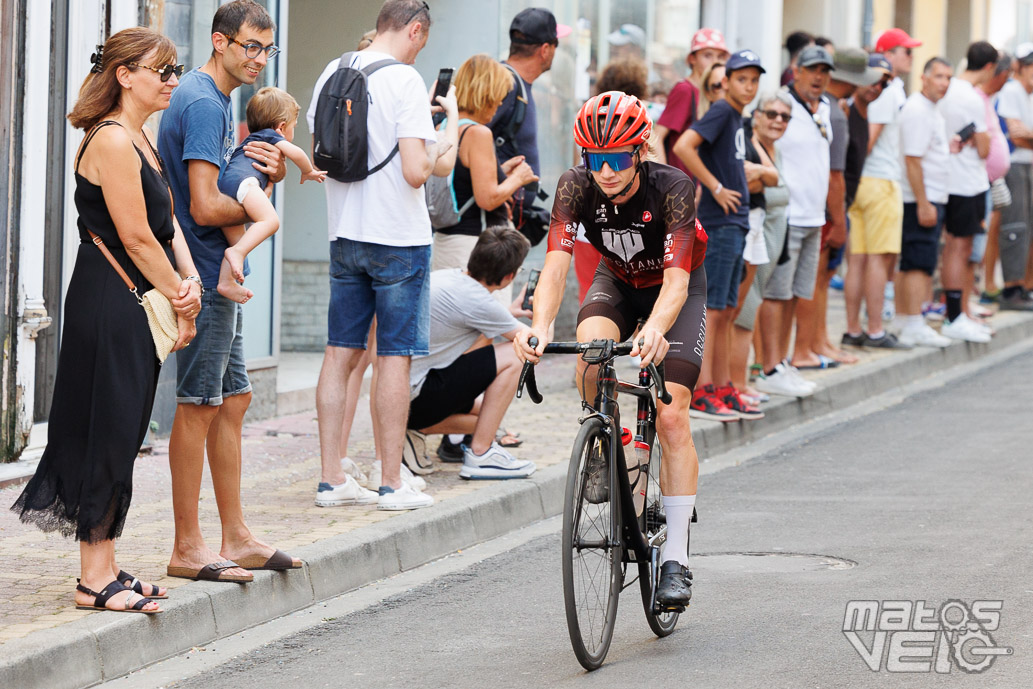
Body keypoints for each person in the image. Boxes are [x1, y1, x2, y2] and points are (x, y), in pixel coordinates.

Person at [12, 27, 202, 611]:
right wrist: (182, 296)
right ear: (125, 75)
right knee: (106, 426)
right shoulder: (114, 141)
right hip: (112, 297)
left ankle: (109, 565)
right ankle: (93, 578)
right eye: (161, 70)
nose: (172, 81)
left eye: (175, 71)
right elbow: (138, 239)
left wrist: (188, 283)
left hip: (135, 297)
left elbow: (168, 230)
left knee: (123, 427)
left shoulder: (139, 138)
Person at [515, 91, 708, 609]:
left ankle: (677, 561)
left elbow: (677, 279)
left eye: (617, 159)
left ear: (639, 151)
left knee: (672, 416)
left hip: (677, 289)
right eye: (595, 159)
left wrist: (658, 328)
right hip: (617, 282)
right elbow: (556, 264)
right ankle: (609, 437)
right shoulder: (575, 185)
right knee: (589, 353)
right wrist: (538, 325)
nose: (605, 171)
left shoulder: (673, 188)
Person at [158, 0, 299, 582]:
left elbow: (222, 185)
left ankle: (236, 536)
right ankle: (187, 548)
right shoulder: (202, 101)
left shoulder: (215, 100)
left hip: (221, 269)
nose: (259, 59)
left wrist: (261, 176)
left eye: (267, 49)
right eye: (250, 46)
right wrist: (256, 197)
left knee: (235, 398)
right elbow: (202, 203)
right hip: (204, 272)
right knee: (198, 406)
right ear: (219, 42)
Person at [309, 0, 459, 510]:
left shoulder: (333, 69)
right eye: (423, 40)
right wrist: (445, 137)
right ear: (415, 31)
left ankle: (331, 479)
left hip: (344, 234)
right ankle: (392, 482)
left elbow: (321, 152)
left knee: (339, 352)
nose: (420, 50)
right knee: (393, 359)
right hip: (398, 239)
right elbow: (417, 171)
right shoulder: (405, 82)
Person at [674, 50, 765, 421]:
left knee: (728, 310)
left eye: (754, 80)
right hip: (721, 221)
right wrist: (714, 186)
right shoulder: (722, 111)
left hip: (737, 222)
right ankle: (703, 390)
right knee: (712, 312)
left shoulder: (739, 118)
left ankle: (725, 385)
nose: (749, 86)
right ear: (726, 81)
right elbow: (683, 146)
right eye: (742, 79)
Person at [409, 228, 536, 479]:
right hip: (418, 396)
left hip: (405, 395)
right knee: (516, 354)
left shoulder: (449, 278)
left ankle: (413, 430)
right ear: (509, 276)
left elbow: (472, 320)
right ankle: (481, 453)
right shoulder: (478, 301)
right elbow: (532, 343)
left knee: (486, 415)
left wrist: (507, 314)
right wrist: (543, 311)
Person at [753, 46, 835, 398]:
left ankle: (781, 362)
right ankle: (769, 366)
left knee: (794, 295)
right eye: (812, 69)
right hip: (787, 214)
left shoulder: (825, 108)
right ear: (796, 70)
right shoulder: (781, 106)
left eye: (825, 71)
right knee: (775, 294)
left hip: (814, 216)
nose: (819, 77)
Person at [792, 48, 881, 368]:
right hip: (825, 209)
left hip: (827, 207)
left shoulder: (835, 108)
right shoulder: (834, 112)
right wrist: (839, 219)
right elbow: (836, 173)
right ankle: (811, 344)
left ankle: (820, 340)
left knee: (822, 279)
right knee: (815, 280)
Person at [842, 30, 920, 350]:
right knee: (878, 259)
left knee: (859, 259)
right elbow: (868, 140)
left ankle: (852, 328)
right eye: (906, 51)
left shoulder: (879, 88)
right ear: (888, 53)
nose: (910, 58)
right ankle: (874, 329)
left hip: (863, 184)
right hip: (880, 182)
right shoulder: (890, 88)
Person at [216, 87, 327, 303]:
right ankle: (237, 255)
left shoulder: (249, 140)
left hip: (226, 186)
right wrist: (308, 171)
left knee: (238, 240)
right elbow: (297, 153)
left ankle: (225, 282)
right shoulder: (272, 136)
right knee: (270, 221)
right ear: (282, 127)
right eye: (294, 126)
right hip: (244, 184)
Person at [431, 54, 538, 274]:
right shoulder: (478, 133)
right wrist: (519, 178)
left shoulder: (445, 127)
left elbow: (462, 179)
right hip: (474, 248)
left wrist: (500, 171)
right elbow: (487, 198)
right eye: (499, 96)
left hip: (444, 243)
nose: (500, 103)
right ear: (487, 95)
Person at [574, 57, 651, 302]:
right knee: (642, 295)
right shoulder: (646, 119)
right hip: (636, 219)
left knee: (590, 293)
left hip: (590, 216)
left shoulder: (588, 116)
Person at [938, 41, 996, 343]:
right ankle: (955, 315)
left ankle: (959, 313)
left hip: (951, 179)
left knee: (955, 248)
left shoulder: (950, 90)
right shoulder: (972, 97)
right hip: (966, 181)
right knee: (959, 250)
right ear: (989, 67)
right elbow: (985, 147)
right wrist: (978, 140)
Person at [896, 57, 955, 348]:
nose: (943, 83)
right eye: (939, 76)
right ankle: (912, 321)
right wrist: (923, 202)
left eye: (948, 78)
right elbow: (912, 160)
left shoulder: (932, 110)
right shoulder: (917, 110)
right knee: (918, 262)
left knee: (918, 261)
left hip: (931, 195)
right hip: (921, 197)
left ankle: (907, 319)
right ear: (924, 77)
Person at [489, 8, 570, 203]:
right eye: (555, 45)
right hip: (495, 214)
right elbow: (470, 135)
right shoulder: (506, 83)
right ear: (545, 50)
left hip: (510, 213)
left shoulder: (511, 82)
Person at [655, 27, 730, 173]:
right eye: (708, 55)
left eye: (720, 57)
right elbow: (657, 136)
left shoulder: (717, 91)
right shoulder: (685, 90)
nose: (715, 61)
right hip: (685, 186)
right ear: (692, 59)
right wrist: (666, 181)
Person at [995, 44, 1033, 309]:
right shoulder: (1011, 90)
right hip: (1015, 165)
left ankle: (1024, 284)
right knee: (1014, 226)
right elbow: (1016, 136)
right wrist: (1025, 135)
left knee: (1027, 227)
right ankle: (1011, 288)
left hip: (1027, 162)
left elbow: (1024, 134)